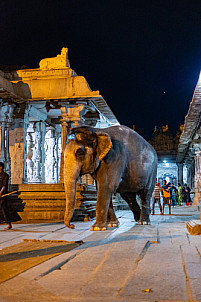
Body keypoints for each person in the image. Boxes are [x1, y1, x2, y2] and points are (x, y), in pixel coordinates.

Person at [0, 162, 12, 229]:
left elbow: (4, 186)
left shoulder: (5, 175)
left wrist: (0, 193)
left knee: (3, 208)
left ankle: (9, 223)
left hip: (3, 195)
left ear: (1, 167)